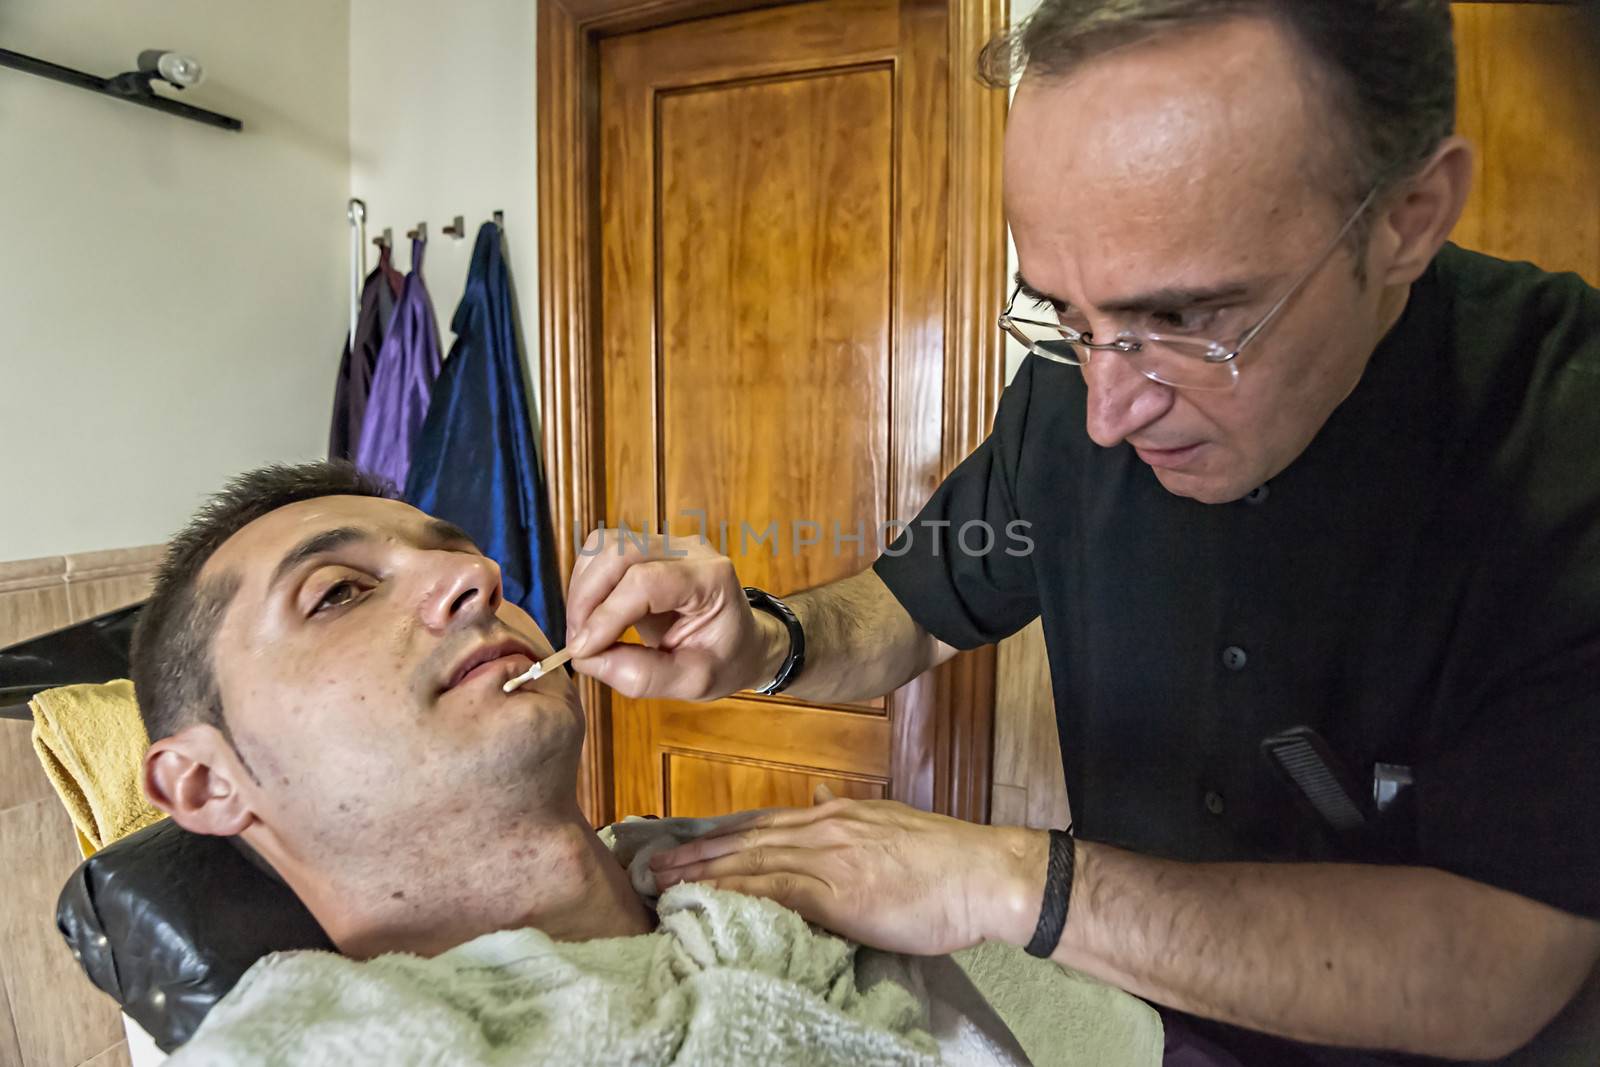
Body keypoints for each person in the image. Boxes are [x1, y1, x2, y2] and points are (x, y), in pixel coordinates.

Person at [560, 1, 1600, 1063]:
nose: (1109, 411)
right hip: (1156, 1025)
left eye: (1187, 321)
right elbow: (912, 607)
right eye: (1063, 315)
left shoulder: (1563, 437)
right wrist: (763, 641)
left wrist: (1010, 879)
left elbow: (1505, 965)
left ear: (1407, 217)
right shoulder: (1070, 400)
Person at [128, 462, 1161, 1066]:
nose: (476, 573)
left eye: (455, 549)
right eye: (341, 592)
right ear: (207, 783)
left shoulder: (796, 885)